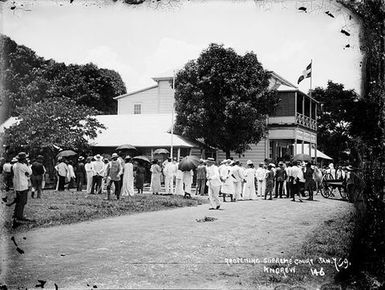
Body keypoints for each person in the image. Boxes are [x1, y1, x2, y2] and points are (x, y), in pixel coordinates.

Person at [12, 152, 32, 223]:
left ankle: (15, 214)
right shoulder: (23, 166)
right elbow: (29, 172)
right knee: (23, 202)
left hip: (17, 185)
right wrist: (28, 164)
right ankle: (20, 216)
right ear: (23, 159)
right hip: (23, 185)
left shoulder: (15, 165)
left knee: (18, 201)